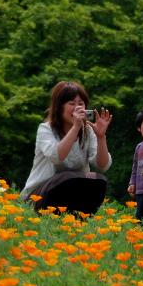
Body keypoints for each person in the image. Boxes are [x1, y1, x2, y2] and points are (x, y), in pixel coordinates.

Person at [20, 81, 112, 214]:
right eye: (72, 103)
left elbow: (102, 166)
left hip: (72, 193)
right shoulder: (45, 129)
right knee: (66, 177)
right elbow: (57, 157)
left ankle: (80, 217)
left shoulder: (88, 131)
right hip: (38, 195)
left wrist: (101, 137)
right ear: (59, 107)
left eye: (80, 103)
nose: (77, 108)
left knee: (97, 180)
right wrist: (75, 127)